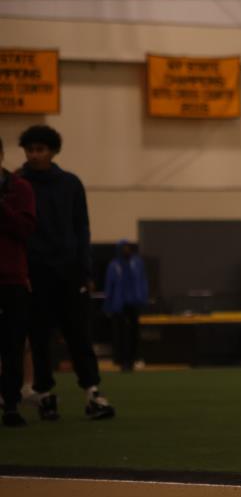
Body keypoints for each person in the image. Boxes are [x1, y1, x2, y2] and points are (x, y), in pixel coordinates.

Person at [18, 125, 115, 421]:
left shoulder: (70, 183)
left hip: (70, 273)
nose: (35, 155)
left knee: (79, 335)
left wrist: (85, 270)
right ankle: (45, 395)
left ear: (53, 151)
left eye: (41, 149)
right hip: (34, 273)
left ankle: (93, 393)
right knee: (39, 337)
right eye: (30, 149)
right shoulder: (18, 183)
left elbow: (82, 227)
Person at [0, 137, 36, 427]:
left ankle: (11, 403)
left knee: (13, 344)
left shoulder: (20, 188)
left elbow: (25, 228)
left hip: (11, 277)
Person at [103, 240, 150, 372]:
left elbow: (142, 281)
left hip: (134, 302)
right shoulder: (114, 265)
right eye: (124, 248)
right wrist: (108, 304)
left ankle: (133, 359)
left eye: (128, 248)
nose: (126, 251)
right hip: (119, 305)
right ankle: (122, 360)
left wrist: (143, 298)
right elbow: (109, 285)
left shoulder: (137, 263)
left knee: (134, 333)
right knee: (121, 334)